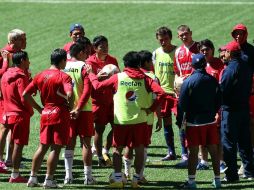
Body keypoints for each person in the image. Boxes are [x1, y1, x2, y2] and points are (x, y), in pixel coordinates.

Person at [86, 51, 166, 188]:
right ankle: (136, 180)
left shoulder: (118, 77)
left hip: (121, 121)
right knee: (140, 150)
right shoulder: (146, 79)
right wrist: (151, 109)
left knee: (118, 150)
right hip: (140, 121)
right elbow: (161, 93)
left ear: (125, 64)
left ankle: (118, 179)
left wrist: (91, 74)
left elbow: (97, 87)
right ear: (139, 64)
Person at [24, 48, 73, 188]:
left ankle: (32, 178)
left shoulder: (40, 75)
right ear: (63, 61)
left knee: (42, 146)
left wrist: (39, 108)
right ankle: (49, 180)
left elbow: (25, 94)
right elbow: (69, 94)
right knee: (55, 148)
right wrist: (69, 104)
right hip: (60, 114)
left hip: (45, 114)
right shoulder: (64, 77)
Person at [178, 53, 221, 189]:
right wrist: (212, 112)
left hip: (194, 122)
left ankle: (191, 182)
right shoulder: (212, 80)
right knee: (214, 151)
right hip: (210, 121)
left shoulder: (188, 81)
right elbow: (218, 100)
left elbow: (182, 105)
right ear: (204, 64)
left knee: (193, 152)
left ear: (192, 65)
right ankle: (217, 180)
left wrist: (180, 121)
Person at [123, 50, 162, 183]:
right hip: (146, 118)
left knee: (128, 145)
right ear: (145, 62)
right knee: (142, 147)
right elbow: (158, 97)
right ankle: (139, 176)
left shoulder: (126, 75)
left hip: (128, 116)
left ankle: (127, 173)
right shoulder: (151, 77)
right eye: (151, 61)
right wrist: (159, 117)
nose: (152, 63)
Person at [220, 41, 254, 182]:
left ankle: (232, 176)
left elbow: (223, 90)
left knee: (229, 144)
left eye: (225, 51)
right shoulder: (247, 66)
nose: (223, 54)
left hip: (230, 111)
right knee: (245, 142)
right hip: (244, 109)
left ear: (230, 53)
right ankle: (249, 171)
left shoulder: (230, 69)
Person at [63, 42, 96, 185]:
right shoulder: (84, 67)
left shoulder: (63, 67)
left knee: (69, 142)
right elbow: (88, 90)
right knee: (86, 143)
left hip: (67, 110)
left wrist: (71, 108)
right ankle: (88, 178)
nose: (88, 54)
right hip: (84, 110)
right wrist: (79, 108)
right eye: (86, 52)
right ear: (81, 53)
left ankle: (68, 176)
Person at [86, 35, 119, 167]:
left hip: (112, 100)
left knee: (117, 126)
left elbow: (118, 75)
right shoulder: (89, 63)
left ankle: (106, 150)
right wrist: (96, 77)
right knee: (99, 129)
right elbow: (87, 81)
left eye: (106, 46)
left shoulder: (112, 60)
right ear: (95, 48)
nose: (105, 49)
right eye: (102, 47)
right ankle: (100, 157)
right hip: (97, 101)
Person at [1, 51, 32, 182]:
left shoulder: (5, 75)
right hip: (19, 115)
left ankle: (13, 172)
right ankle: (15, 175)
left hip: (7, 113)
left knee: (12, 143)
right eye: (27, 60)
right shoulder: (21, 76)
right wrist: (31, 109)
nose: (29, 62)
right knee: (18, 145)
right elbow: (24, 97)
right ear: (22, 60)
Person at [0, 29, 28, 172]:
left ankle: (9, 159)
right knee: (5, 127)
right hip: (5, 97)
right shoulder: (4, 54)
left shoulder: (18, 55)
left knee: (11, 127)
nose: (25, 41)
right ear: (14, 41)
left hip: (13, 97)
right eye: (23, 39)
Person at [197, 39, 226, 173]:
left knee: (217, 134)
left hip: (216, 104)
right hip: (202, 104)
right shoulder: (199, 65)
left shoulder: (219, 64)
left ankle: (221, 161)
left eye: (206, 49)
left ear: (212, 50)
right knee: (202, 132)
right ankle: (204, 160)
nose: (204, 52)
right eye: (202, 50)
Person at [230, 23, 254, 176]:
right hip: (236, 96)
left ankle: (247, 161)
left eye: (241, 33)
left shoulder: (251, 51)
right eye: (236, 33)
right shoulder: (231, 48)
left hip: (249, 95)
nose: (238, 36)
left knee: (250, 126)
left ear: (246, 34)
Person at [174, 25, 199, 167]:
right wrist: (177, 84)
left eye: (186, 34)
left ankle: (201, 156)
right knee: (181, 123)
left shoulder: (199, 48)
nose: (184, 37)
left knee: (197, 123)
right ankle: (185, 154)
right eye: (181, 35)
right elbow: (178, 72)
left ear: (191, 33)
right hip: (183, 93)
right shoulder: (178, 52)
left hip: (196, 92)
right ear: (178, 37)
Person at [152, 26, 177, 161]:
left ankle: (186, 153)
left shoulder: (178, 52)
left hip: (177, 94)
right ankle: (171, 152)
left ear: (170, 38)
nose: (163, 42)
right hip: (163, 94)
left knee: (182, 123)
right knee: (167, 123)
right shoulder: (155, 53)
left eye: (166, 39)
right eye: (161, 40)